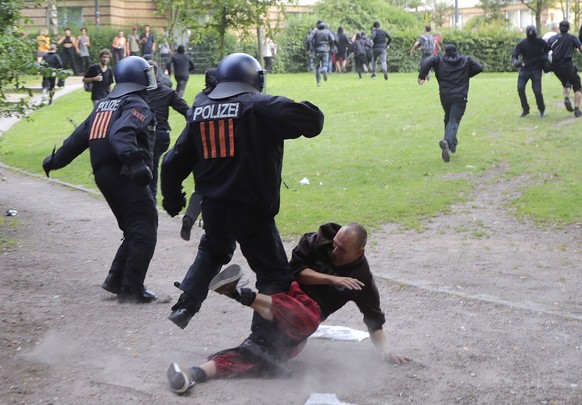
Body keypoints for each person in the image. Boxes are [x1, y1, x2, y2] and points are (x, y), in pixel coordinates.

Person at [160, 52, 324, 329]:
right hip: (252, 209)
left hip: (213, 206)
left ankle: (185, 305)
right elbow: (314, 120)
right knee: (274, 276)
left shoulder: (199, 111)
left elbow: (173, 160)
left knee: (212, 251)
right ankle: (265, 340)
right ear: (256, 78)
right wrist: (280, 106)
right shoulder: (260, 107)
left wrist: (172, 198)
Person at [166, 223, 410, 394]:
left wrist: (386, 352)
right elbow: (295, 272)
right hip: (283, 296)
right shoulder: (318, 240)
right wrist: (332, 279)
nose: (334, 251)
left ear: (360, 252)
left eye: (342, 250)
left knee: (262, 358)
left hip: (295, 329)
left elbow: (374, 321)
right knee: (311, 315)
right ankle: (243, 294)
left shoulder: (362, 279)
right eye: (335, 244)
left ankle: (191, 375)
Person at [42, 56, 160, 304]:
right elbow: (121, 135)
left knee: (133, 227)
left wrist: (54, 161)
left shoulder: (105, 104)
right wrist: (137, 165)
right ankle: (131, 289)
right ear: (139, 78)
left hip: (104, 175)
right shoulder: (136, 104)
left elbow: (77, 139)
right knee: (145, 226)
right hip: (125, 173)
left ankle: (117, 280)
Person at [418, 44, 483, 162]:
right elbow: (479, 67)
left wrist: (422, 75)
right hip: (460, 96)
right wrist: (467, 74)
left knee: (448, 118)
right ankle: (447, 141)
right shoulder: (465, 60)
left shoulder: (439, 60)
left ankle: (452, 145)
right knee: (454, 121)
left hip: (445, 96)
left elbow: (429, 60)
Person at [179, 68, 217, 242]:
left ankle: (190, 217)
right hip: (216, 152)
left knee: (201, 188)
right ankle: (210, 226)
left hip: (196, 151)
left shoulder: (199, 98)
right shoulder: (222, 98)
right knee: (218, 189)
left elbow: (190, 116)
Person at [146, 60, 189, 198]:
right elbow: (187, 111)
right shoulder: (167, 92)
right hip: (160, 135)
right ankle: (149, 200)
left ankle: (149, 202)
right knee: (151, 166)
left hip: (150, 135)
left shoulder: (138, 92)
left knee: (149, 166)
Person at [511, 25, 549, 118]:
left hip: (536, 69)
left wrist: (544, 57)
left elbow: (548, 49)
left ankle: (542, 109)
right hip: (525, 69)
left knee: (537, 91)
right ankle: (525, 109)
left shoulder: (540, 42)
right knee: (520, 88)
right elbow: (514, 56)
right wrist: (517, 63)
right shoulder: (522, 44)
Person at [547, 20, 582, 117]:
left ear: (559, 28)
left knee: (566, 83)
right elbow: (580, 49)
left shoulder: (553, 38)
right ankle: (577, 109)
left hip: (556, 68)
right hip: (568, 66)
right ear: (568, 28)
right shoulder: (572, 38)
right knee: (577, 86)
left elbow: (546, 50)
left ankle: (566, 97)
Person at [307, 20, 335, 86]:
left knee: (317, 66)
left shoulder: (315, 31)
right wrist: (330, 47)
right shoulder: (327, 31)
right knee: (325, 65)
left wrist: (309, 48)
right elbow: (333, 39)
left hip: (317, 51)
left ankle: (318, 82)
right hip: (325, 50)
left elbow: (309, 39)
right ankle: (323, 70)